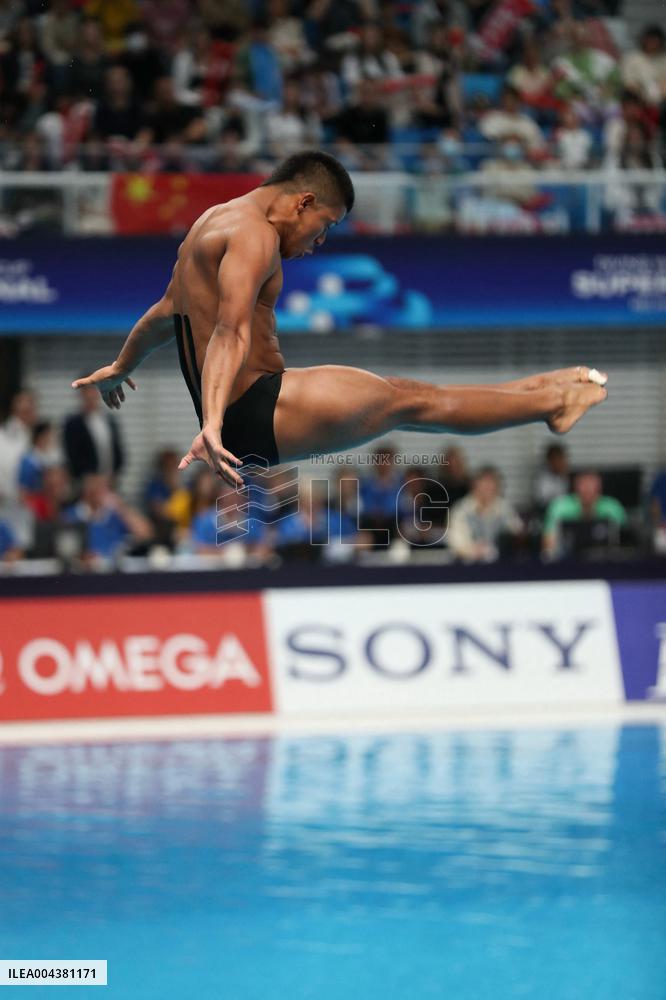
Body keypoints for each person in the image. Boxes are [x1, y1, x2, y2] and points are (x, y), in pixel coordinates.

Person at [71, 150, 608, 492]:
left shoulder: (210, 223)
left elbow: (168, 315)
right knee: (410, 402)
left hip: (249, 412)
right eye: (323, 226)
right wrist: (210, 423)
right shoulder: (255, 234)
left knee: (405, 394)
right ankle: (551, 405)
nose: (317, 244)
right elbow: (229, 331)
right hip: (254, 410)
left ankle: (536, 392)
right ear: (302, 201)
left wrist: (121, 365)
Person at [542, 470, 627, 559]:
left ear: (599, 488)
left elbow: (626, 542)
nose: (588, 490)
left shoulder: (613, 507)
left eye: (592, 486)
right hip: (567, 561)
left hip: (605, 561)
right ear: (575, 488)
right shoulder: (559, 507)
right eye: (584, 486)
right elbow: (548, 545)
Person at [447, 466, 523, 563]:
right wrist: (475, 551)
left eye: (492, 484)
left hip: (501, 565)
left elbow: (517, 533)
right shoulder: (461, 509)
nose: (488, 488)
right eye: (485, 484)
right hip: (467, 566)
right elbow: (456, 544)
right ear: (474, 485)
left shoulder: (504, 508)